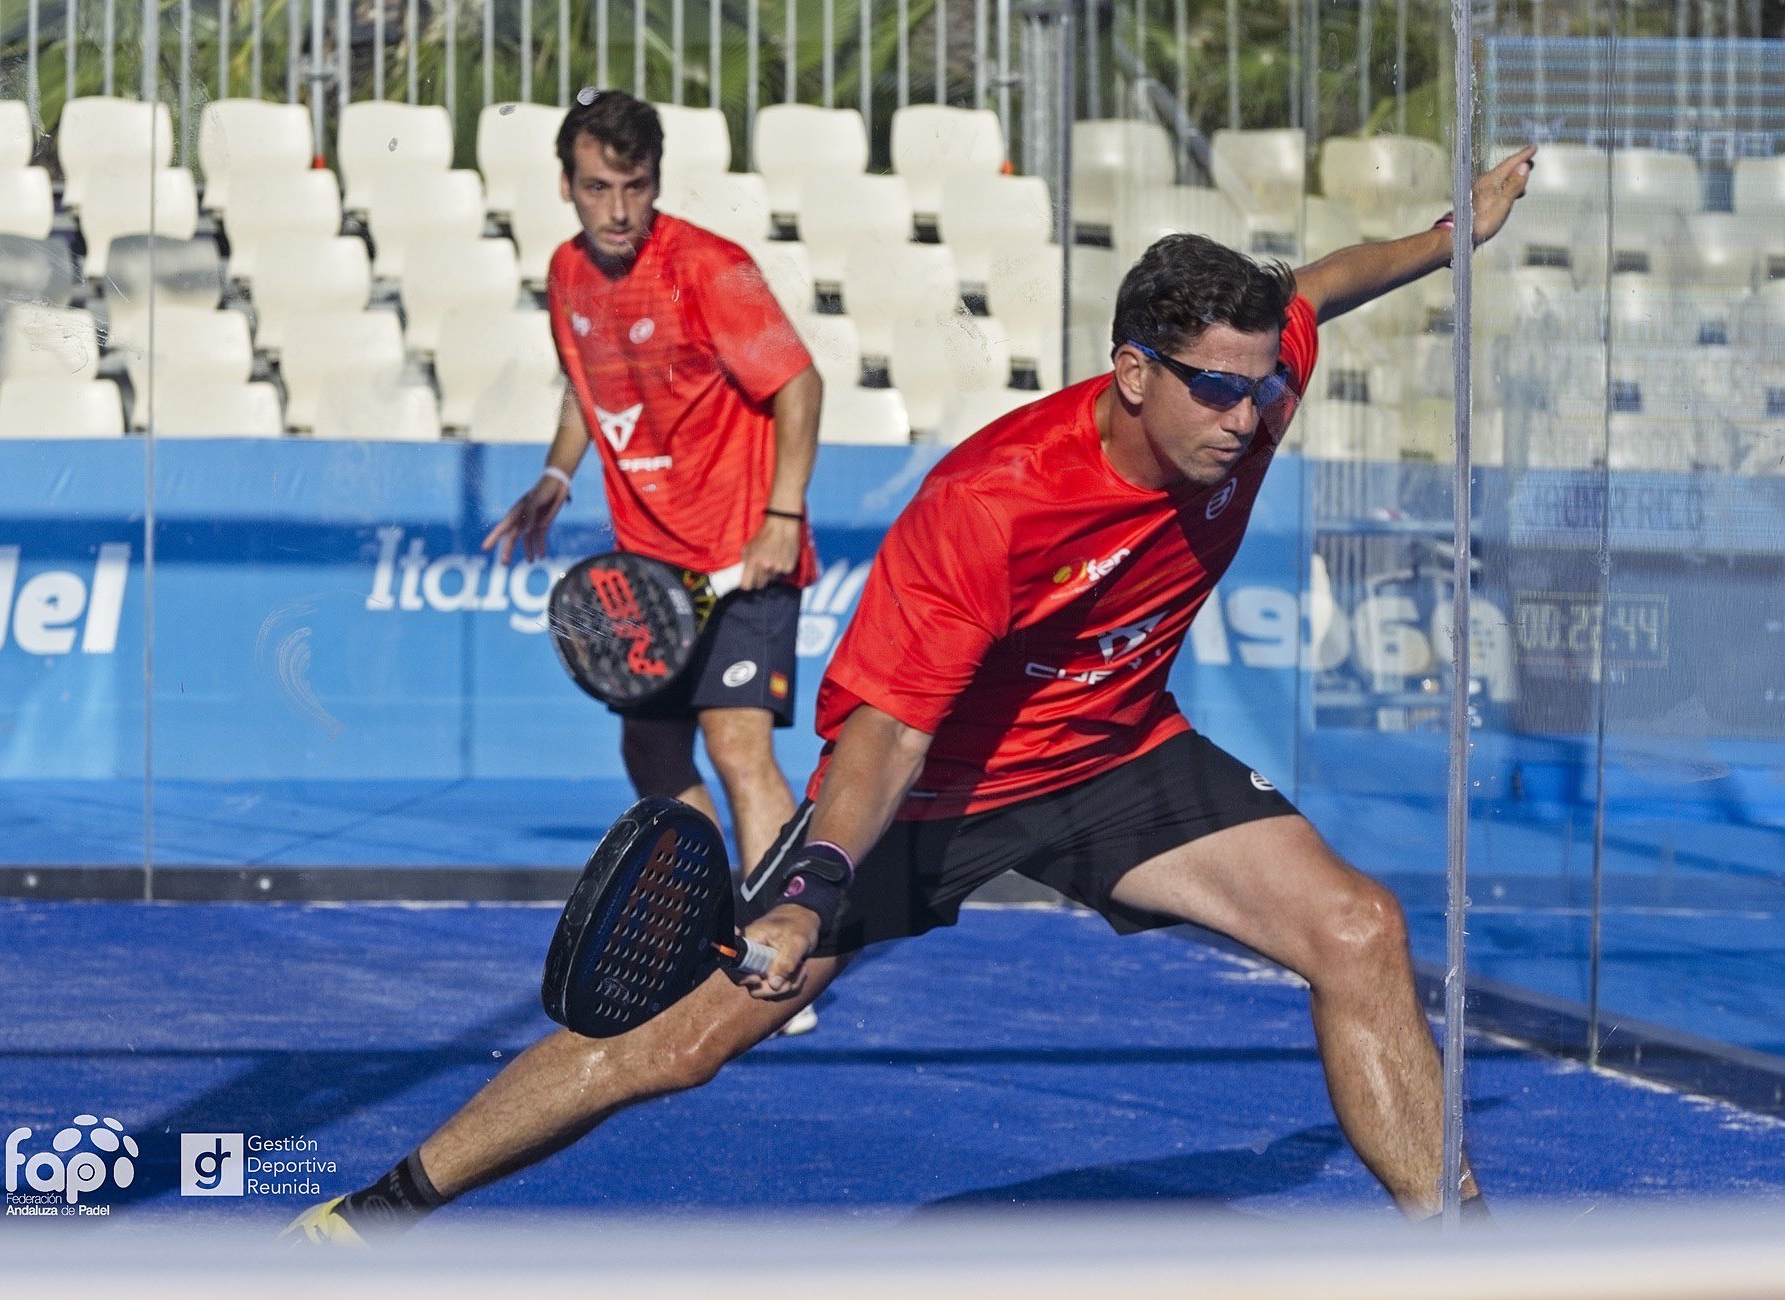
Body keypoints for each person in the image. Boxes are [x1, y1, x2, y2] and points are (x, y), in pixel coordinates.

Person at [285, 145, 1537, 1242]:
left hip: (1115, 754)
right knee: (679, 1043)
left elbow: (1316, 286)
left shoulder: (1248, 392)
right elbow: (884, 741)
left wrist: (1444, 242)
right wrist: (810, 890)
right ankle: (371, 1215)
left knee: (1360, 929)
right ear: (1132, 371)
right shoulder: (994, 504)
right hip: (935, 790)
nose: (1247, 410)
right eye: (1216, 385)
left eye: (1262, 383)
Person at [483, 90, 826, 1032]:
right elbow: (586, 386)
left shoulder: (710, 269)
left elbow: (800, 384)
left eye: (636, 187)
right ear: (568, 186)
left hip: (746, 554)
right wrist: (558, 475)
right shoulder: (565, 272)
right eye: (599, 188)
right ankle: (715, 932)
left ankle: (779, 956)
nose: (620, 210)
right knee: (651, 750)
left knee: (738, 744)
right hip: (651, 575)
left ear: (657, 182)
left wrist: (782, 514)